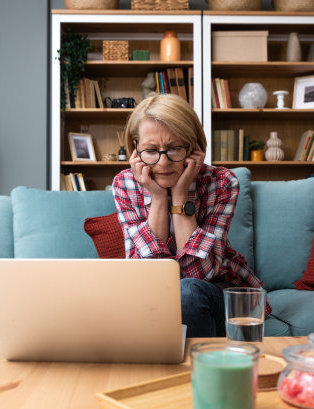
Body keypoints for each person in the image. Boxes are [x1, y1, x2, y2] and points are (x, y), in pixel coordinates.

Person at [112, 94, 271, 337]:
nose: (163, 163)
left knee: (188, 290)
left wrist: (180, 195)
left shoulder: (222, 182)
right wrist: (157, 198)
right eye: (151, 150)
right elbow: (146, 275)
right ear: (135, 148)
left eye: (175, 148)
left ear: (194, 147)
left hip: (216, 289)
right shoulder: (125, 184)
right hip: (154, 294)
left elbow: (200, 271)